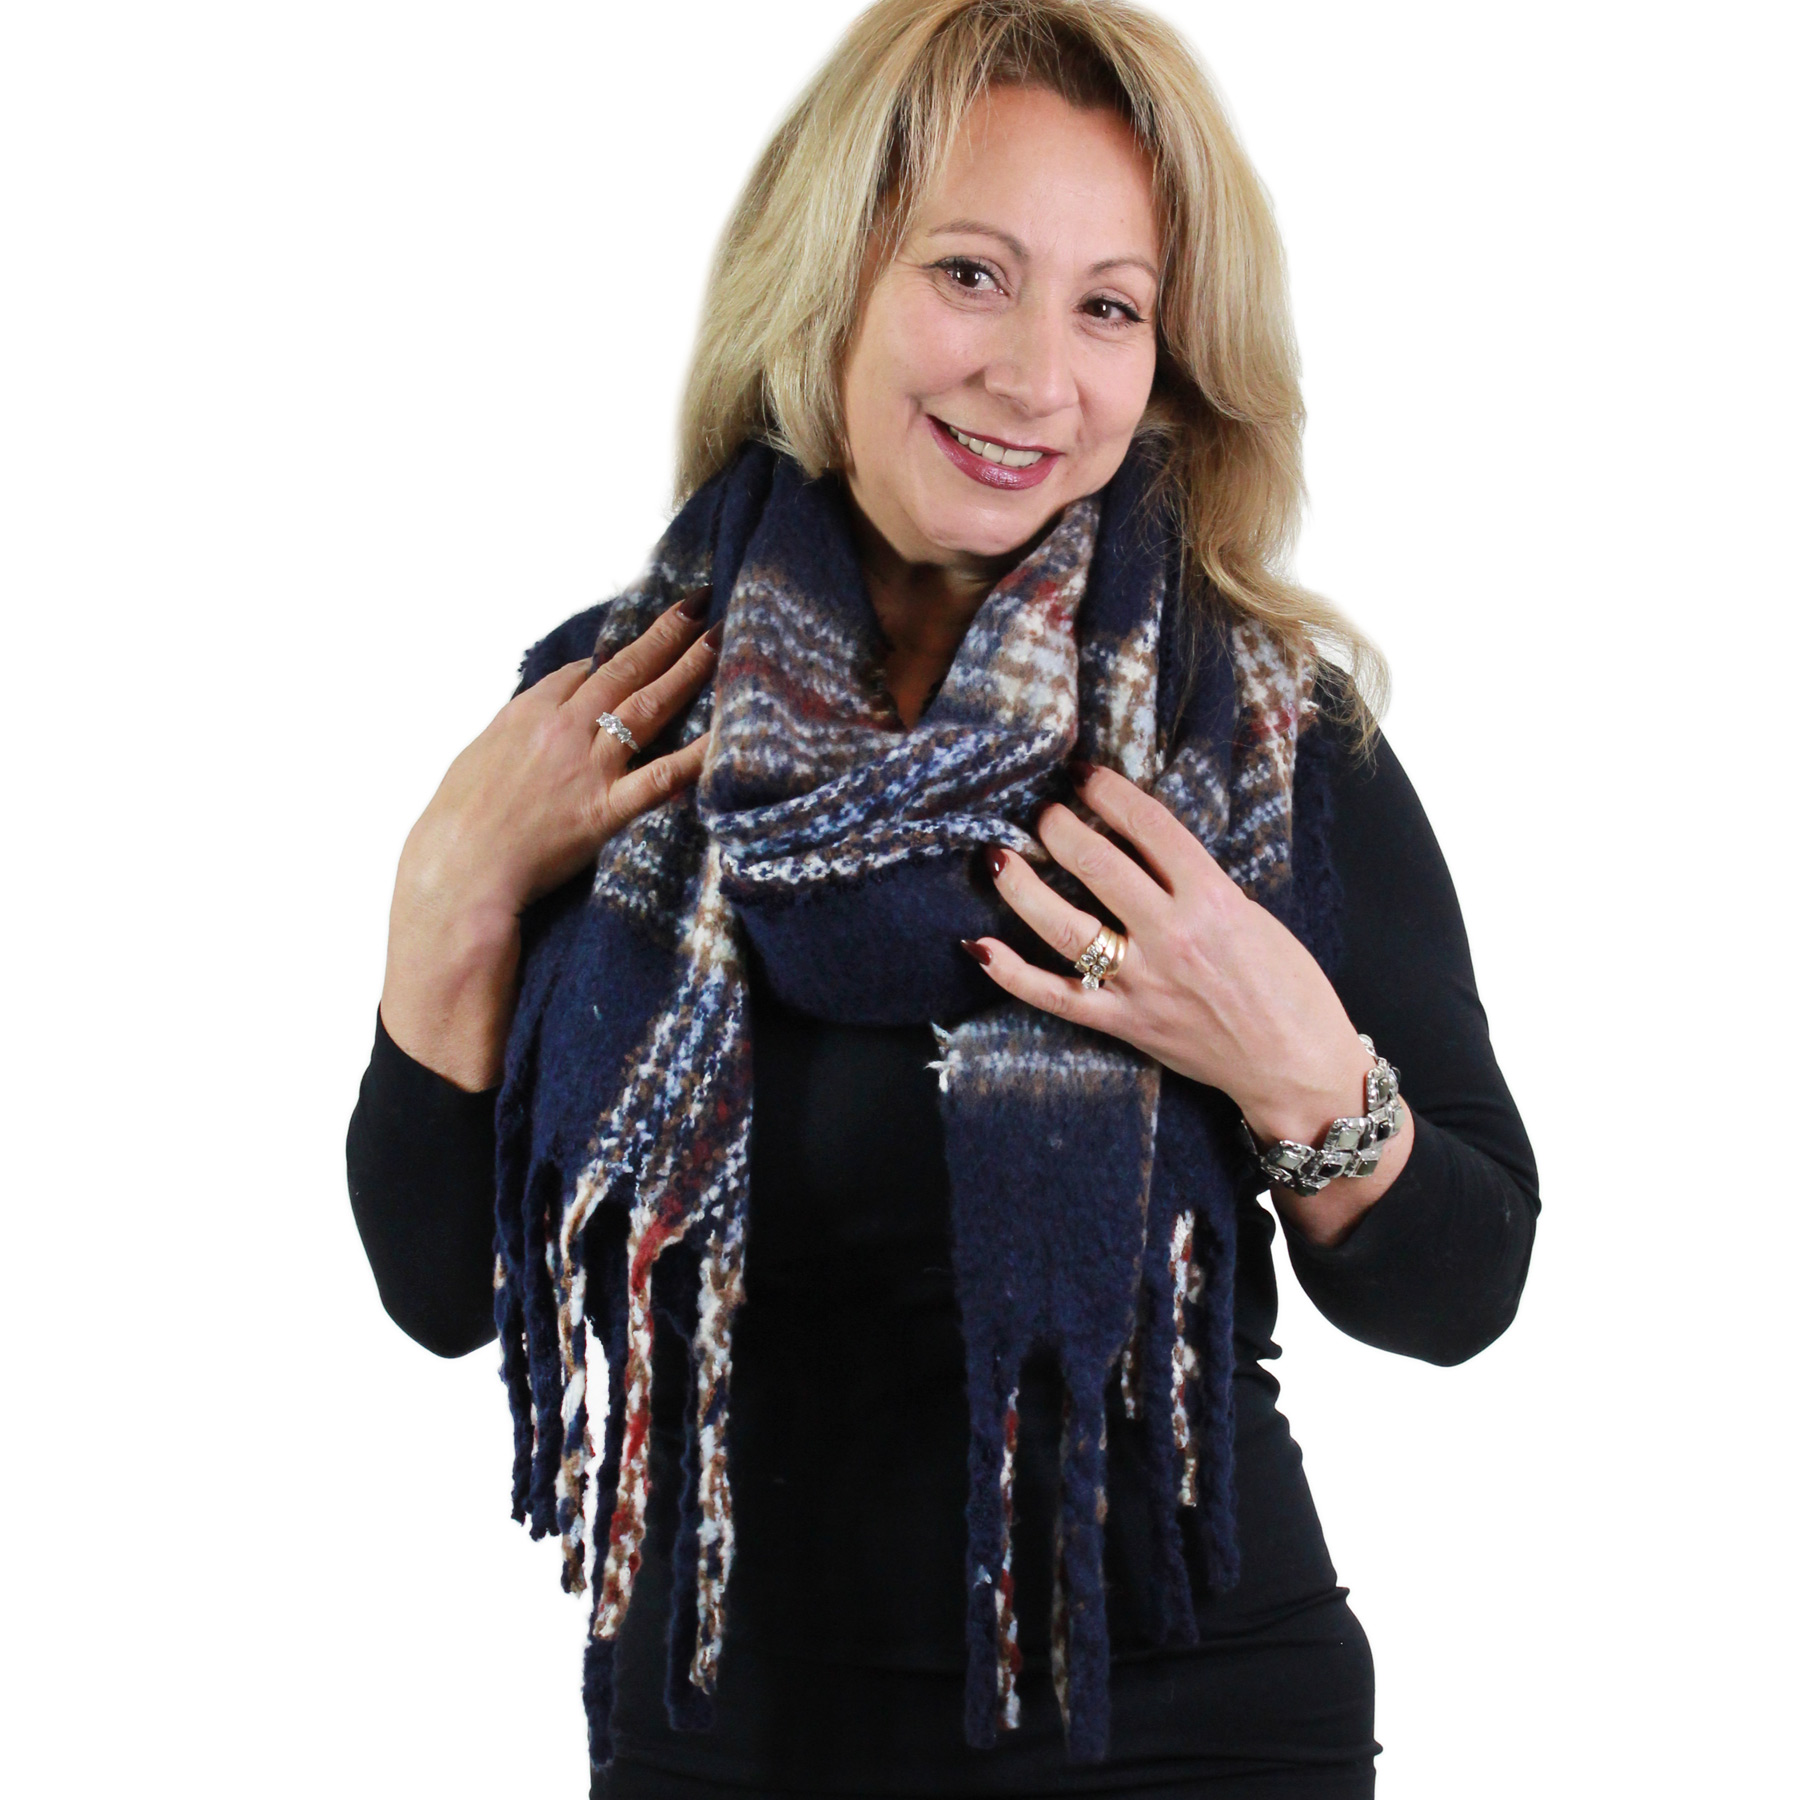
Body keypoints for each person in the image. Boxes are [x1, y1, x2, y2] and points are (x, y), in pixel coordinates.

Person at [347, 2, 1538, 1794]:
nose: (1038, 377)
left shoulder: (1255, 735)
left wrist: (1294, 1065)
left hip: (1191, 1735)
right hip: (725, 1736)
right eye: (973, 275)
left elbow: (1465, 1284)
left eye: (1111, 307)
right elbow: (441, 1288)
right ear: (828, 277)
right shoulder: (623, 714)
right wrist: (444, 899)